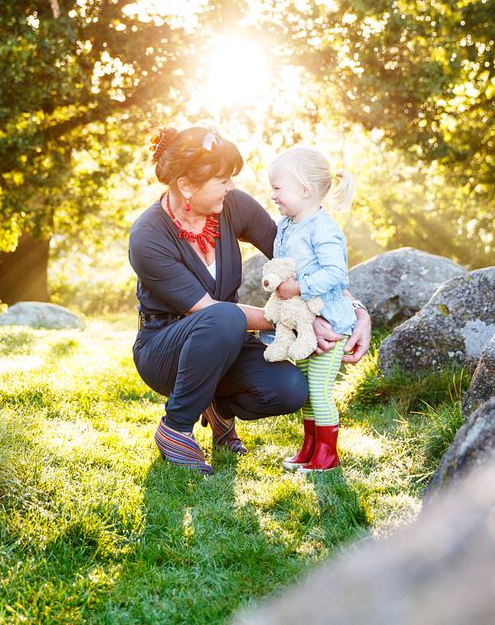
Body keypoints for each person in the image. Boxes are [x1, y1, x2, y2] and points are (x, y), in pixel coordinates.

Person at [128, 126, 371, 475]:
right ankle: (176, 428)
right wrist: (295, 319)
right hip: (166, 349)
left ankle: (217, 409)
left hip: (228, 343)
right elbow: (208, 312)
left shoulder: (232, 206)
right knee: (225, 317)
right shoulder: (148, 236)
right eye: (222, 179)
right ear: (185, 186)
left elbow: (301, 265)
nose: (231, 187)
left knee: (290, 389)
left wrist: (356, 311)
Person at [266, 144, 360, 472]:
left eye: (277, 189)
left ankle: (327, 453)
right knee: (306, 391)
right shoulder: (287, 226)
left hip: (330, 321)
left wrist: (298, 287)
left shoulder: (323, 228)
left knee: (319, 390)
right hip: (302, 322)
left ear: (305, 190)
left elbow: (336, 273)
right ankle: (309, 446)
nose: (273, 196)